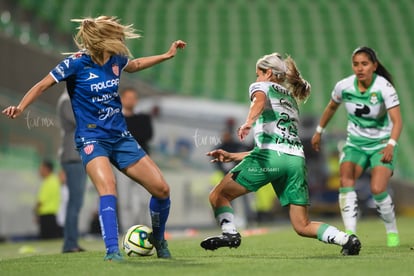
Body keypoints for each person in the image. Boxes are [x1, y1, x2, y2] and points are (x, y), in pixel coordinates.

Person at [3, 16, 186, 261]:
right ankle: (112, 251)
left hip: (121, 138)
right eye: (117, 36)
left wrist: (166, 55)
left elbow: (136, 64)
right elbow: (43, 85)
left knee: (162, 189)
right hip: (92, 139)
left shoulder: (117, 60)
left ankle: (159, 241)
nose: (121, 40)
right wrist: (21, 107)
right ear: (103, 40)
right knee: (108, 188)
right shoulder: (76, 63)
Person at [200, 53, 361, 256]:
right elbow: (277, 145)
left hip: (271, 158)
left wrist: (248, 122)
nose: (256, 78)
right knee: (302, 225)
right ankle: (346, 239)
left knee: (218, 195)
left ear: (268, 72)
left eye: (258, 73)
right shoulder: (290, 99)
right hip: (294, 161)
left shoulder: (261, 86)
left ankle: (230, 233)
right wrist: (233, 156)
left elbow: (258, 101)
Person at [311, 46, 402, 247]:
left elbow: (397, 121)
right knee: (345, 180)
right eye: (356, 64)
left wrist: (390, 145)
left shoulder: (384, 87)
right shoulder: (344, 86)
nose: (360, 68)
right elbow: (331, 107)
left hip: (380, 144)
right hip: (355, 144)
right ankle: (350, 233)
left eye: (365, 64)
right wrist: (319, 130)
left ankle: (392, 230)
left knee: (378, 189)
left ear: (374, 66)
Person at [116, 87, 153, 231]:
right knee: (125, 201)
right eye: (128, 97)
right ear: (122, 99)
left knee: (144, 199)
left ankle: (146, 228)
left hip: (142, 162)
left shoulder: (144, 118)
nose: (131, 100)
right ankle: (128, 230)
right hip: (122, 163)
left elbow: (147, 135)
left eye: (133, 98)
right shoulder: (116, 119)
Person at [57, 90, 88, 253]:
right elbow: (80, 120)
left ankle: (72, 242)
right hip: (73, 156)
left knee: (76, 202)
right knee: (74, 203)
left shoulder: (71, 97)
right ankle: (70, 243)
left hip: (77, 156)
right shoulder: (67, 99)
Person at [34, 160, 62, 239]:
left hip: (46, 216)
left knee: (46, 239)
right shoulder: (55, 180)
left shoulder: (48, 182)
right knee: (52, 239)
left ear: (46, 169)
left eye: (41, 168)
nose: (39, 171)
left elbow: (40, 201)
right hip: (52, 215)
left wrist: (35, 212)